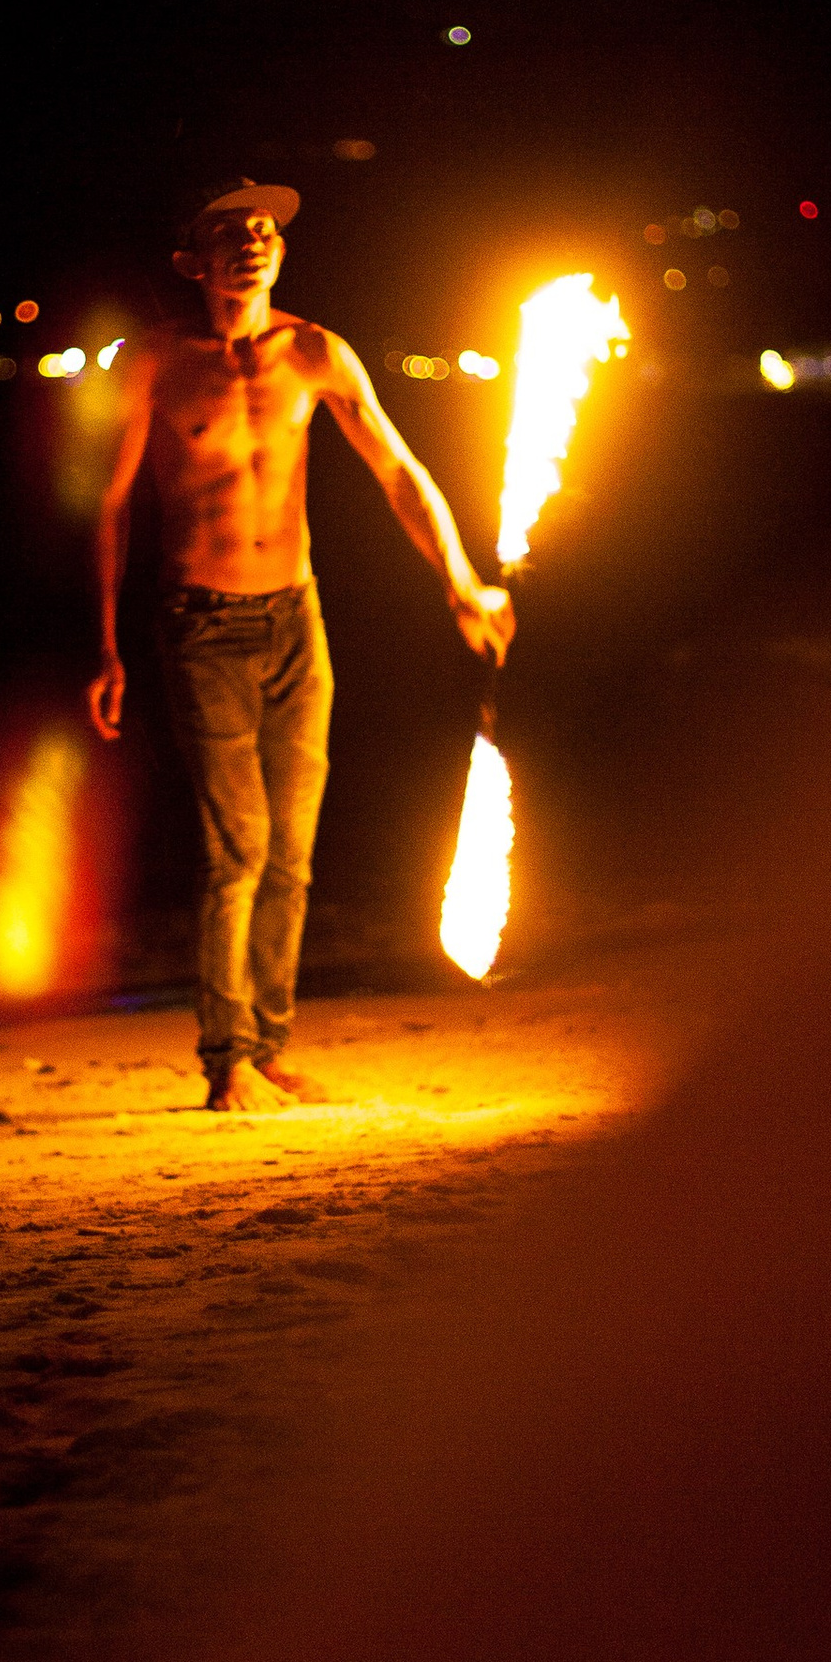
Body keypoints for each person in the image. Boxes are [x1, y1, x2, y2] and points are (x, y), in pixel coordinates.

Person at [87, 176, 512, 1112]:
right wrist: (107, 647)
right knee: (235, 850)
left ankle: (269, 1047)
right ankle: (224, 1058)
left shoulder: (316, 353)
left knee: (292, 855)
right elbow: (113, 506)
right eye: (230, 233)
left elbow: (399, 469)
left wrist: (461, 582)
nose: (254, 242)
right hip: (200, 622)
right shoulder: (155, 363)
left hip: (296, 619)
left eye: (265, 230)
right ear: (192, 261)